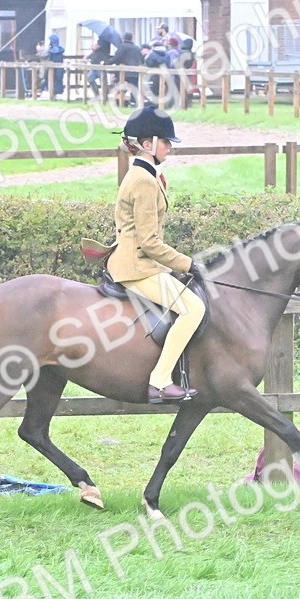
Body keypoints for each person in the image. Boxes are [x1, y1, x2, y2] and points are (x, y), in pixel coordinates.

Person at [106, 106, 206, 403]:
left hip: (143, 263)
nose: (170, 147)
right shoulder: (143, 181)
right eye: (165, 142)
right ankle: (160, 381)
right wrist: (188, 264)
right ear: (147, 144)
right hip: (136, 267)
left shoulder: (146, 175)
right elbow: (149, 242)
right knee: (193, 309)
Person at [110, 32, 144, 106]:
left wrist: (108, 63)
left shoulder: (122, 47)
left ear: (124, 38)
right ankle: (134, 103)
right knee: (134, 88)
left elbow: (116, 58)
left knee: (119, 86)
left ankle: (119, 102)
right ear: (131, 38)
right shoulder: (137, 48)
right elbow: (141, 59)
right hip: (135, 72)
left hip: (124, 72)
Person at [44, 33, 65, 97]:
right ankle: (54, 94)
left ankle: (53, 94)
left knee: (54, 79)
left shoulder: (52, 50)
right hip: (59, 68)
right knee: (57, 79)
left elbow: (50, 57)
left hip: (54, 68)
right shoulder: (60, 50)